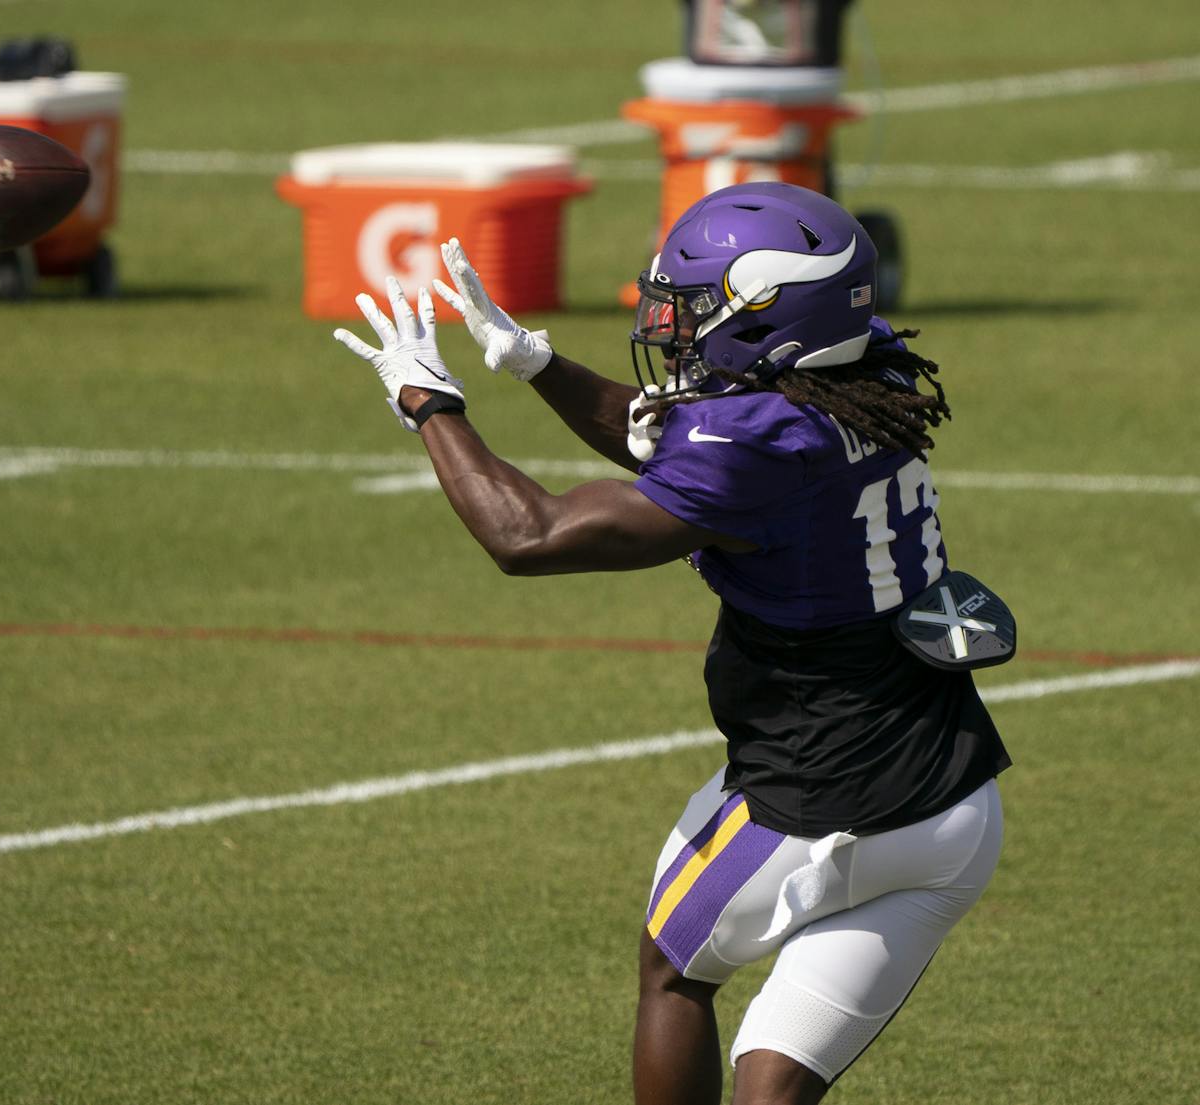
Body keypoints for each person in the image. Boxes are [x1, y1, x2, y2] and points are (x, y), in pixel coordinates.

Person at [331, 181, 1011, 1105]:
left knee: (673, 963)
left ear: (770, 313)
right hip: (953, 805)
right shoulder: (867, 374)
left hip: (819, 802)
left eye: (695, 308)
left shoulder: (766, 438)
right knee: (771, 1087)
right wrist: (538, 365)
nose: (672, 327)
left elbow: (528, 535)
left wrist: (431, 403)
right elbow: (688, 448)